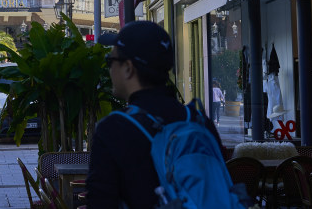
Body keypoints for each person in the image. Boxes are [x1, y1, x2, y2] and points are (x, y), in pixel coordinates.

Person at [85, 21, 223, 209]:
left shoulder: (113, 130)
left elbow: (100, 203)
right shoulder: (199, 121)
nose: (109, 69)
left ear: (128, 68)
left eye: (110, 61)